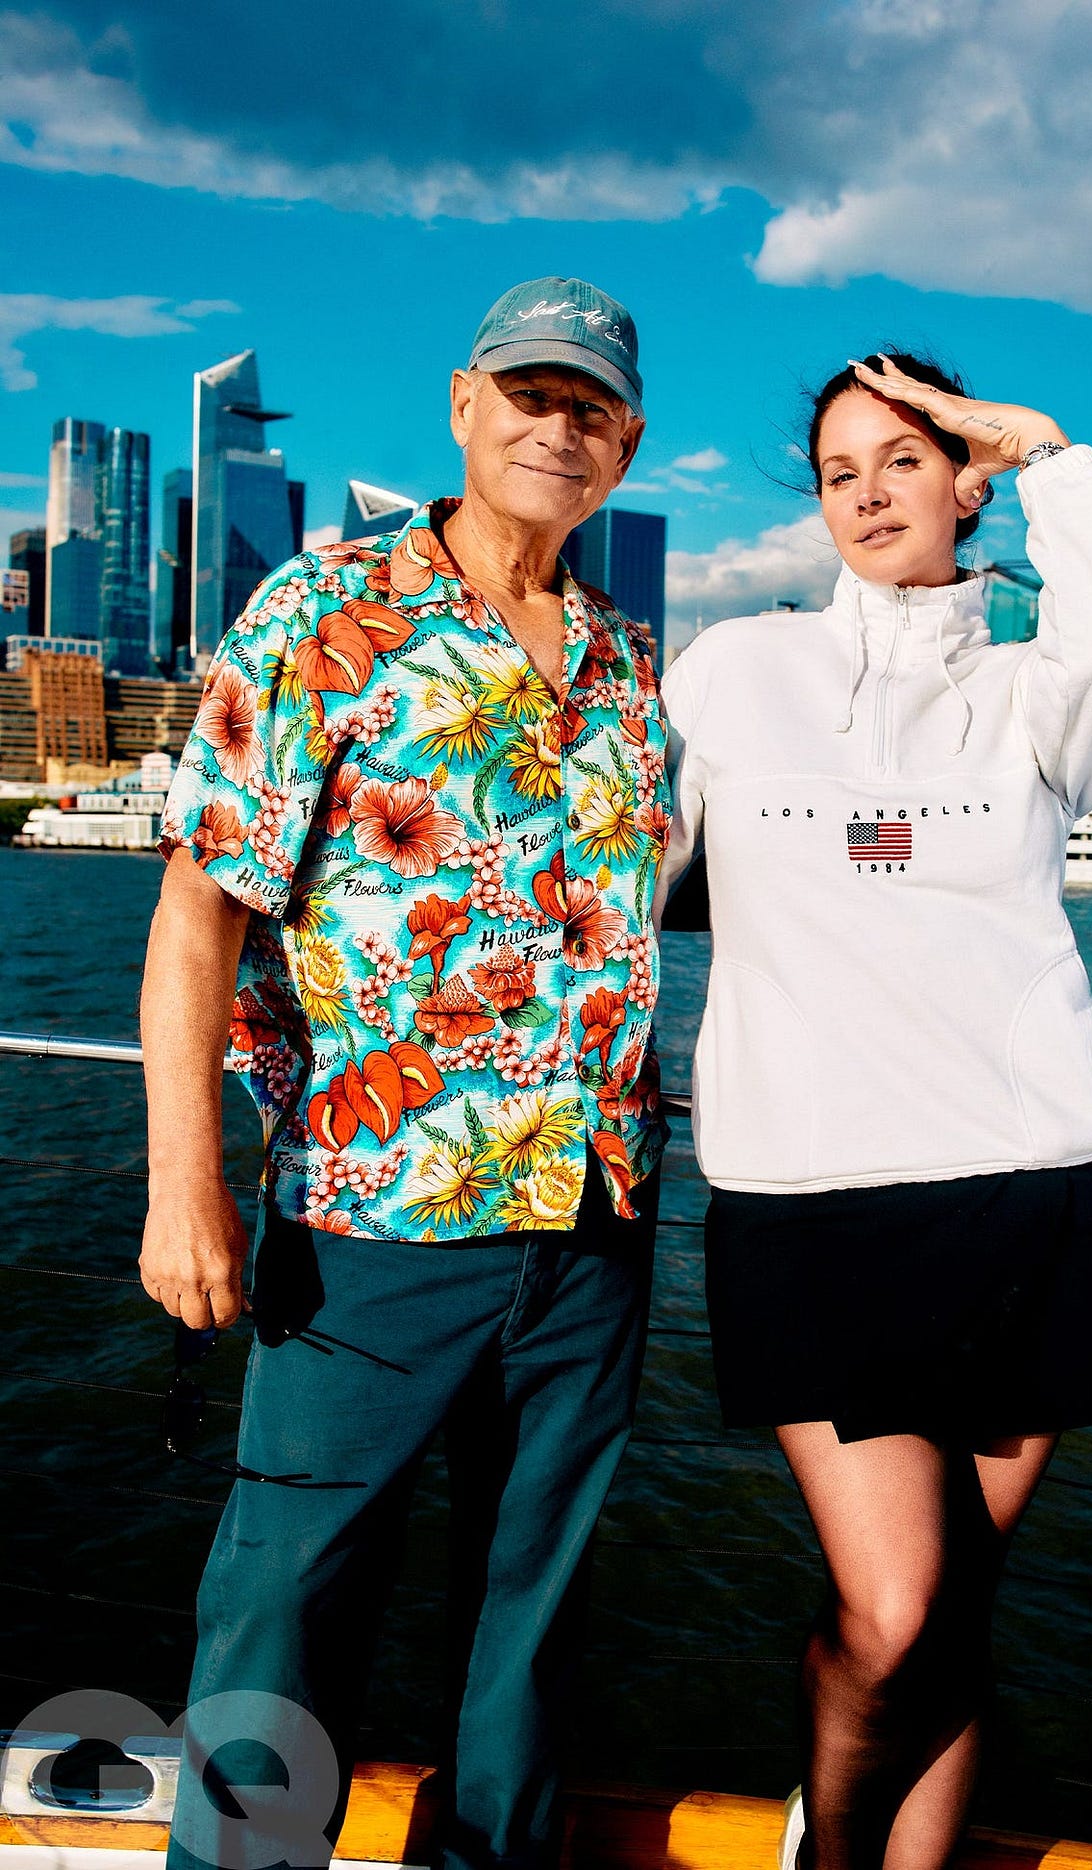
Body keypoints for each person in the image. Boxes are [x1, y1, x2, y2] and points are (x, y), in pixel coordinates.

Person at [140, 276, 670, 1870]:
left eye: (590, 408)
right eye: (530, 393)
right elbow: (198, 913)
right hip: (371, 1217)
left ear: (627, 443)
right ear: (462, 403)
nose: (557, 427)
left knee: (532, 1620)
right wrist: (185, 1187)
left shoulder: (629, 658)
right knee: (287, 1602)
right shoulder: (326, 610)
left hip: (594, 1216)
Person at [656, 352, 1092, 1870]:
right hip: (810, 1203)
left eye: (907, 459)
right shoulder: (734, 671)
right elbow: (628, 877)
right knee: (894, 1613)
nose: (870, 495)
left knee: (954, 1609)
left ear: (969, 483)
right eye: (840, 472)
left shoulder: (1039, 688)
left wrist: (1048, 451)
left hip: (1032, 1191)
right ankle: (829, 1854)